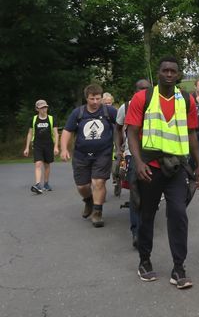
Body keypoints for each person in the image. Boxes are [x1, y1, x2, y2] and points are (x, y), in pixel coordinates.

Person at [126, 57, 199, 289]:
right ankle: (145, 261)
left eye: (173, 71)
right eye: (165, 71)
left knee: (179, 214)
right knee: (147, 214)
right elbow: (132, 132)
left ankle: (179, 268)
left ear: (178, 74)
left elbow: (191, 134)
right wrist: (137, 162)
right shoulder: (143, 97)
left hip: (177, 167)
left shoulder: (187, 100)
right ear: (158, 74)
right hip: (150, 166)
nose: (169, 74)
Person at [60, 84, 118, 227]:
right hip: (81, 155)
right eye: (92, 99)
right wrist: (63, 149)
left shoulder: (109, 111)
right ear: (87, 98)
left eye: (98, 98)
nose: (95, 102)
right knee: (82, 186)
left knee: (98, 182)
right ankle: (88, 201)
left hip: (103, 153)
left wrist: (120, 145)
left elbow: (121, 126)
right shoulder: (78, 113)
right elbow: (67, 131)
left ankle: (97, 213)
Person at [115, 79, 151, 248]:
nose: (143, 92)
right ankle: (136, 231)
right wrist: (118, 149)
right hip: (132, 154)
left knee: (149, 195)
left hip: (153, 154)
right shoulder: (126, 107)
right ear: (135, 90)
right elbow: (118, 127)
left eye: (146, 89)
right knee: (135, 194)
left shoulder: (155, 105)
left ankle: (145, 226)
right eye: (140, 89)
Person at [23, 99, 59, 194]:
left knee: (47, 165)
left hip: (49, 145)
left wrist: (56, 147)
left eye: (45, 107)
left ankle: (46, 184)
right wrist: (27, 147)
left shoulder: (51, 119)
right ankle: (38, 185)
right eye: (42, 107)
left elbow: (56, 134)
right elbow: (30, 134)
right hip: (37, 144)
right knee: (38, 164)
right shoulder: (34, 119)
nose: (44, 109)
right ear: (37, 109)